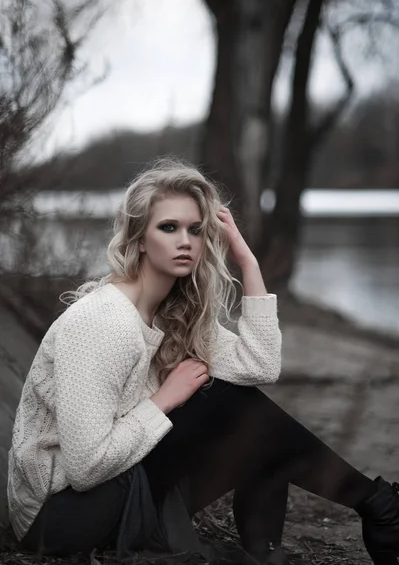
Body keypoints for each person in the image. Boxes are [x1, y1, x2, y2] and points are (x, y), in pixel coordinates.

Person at [7, 158, 399, 565]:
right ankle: (379, 508)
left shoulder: (174, 312)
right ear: (139, 238)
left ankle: (273, 554)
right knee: (231, 409)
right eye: (168, 227)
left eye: (196, 230)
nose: (186, 241)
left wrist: (248, 263)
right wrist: (164, 400)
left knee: (252, 424)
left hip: (124, 485)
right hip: (59, 519)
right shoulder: (101, 323)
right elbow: (86, 467)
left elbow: (259, 366)